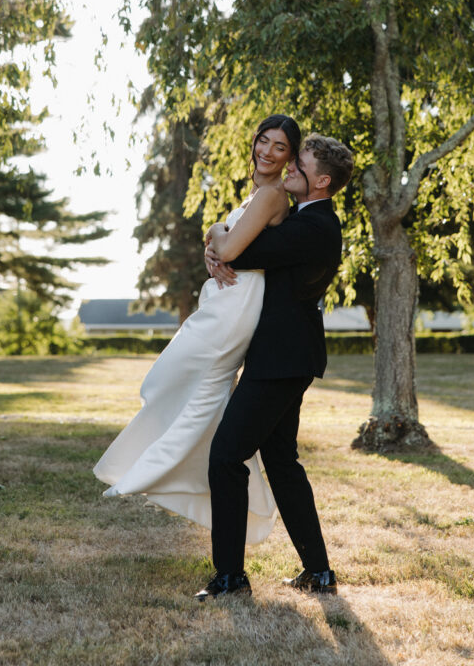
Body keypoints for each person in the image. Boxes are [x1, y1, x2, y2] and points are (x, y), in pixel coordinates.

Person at [93, 114, 301, 545]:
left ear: (289, 157)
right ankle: (155, 470)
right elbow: (230, 247)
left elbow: (229, 245)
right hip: (228, 294)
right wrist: (215, 250)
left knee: (194, 383)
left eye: (279, 147)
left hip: (236, 305)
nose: (266, 151)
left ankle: (147, 470)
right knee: (187, 387)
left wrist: (214, 239)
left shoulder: (272, 194)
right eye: (263, 141)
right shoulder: (259, 194)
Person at [195, 133, 354, 602]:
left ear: (321, 180)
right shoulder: (310, 221)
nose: (289, 168)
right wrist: (219, 243)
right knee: (282, 462)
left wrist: (215, 235)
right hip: (287, 356)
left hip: (281, 359)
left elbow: (240, 249)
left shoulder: (314, 226)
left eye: (299, 163)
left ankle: (230, 577)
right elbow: (239, 247)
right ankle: (319, 572)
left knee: (226, 456)